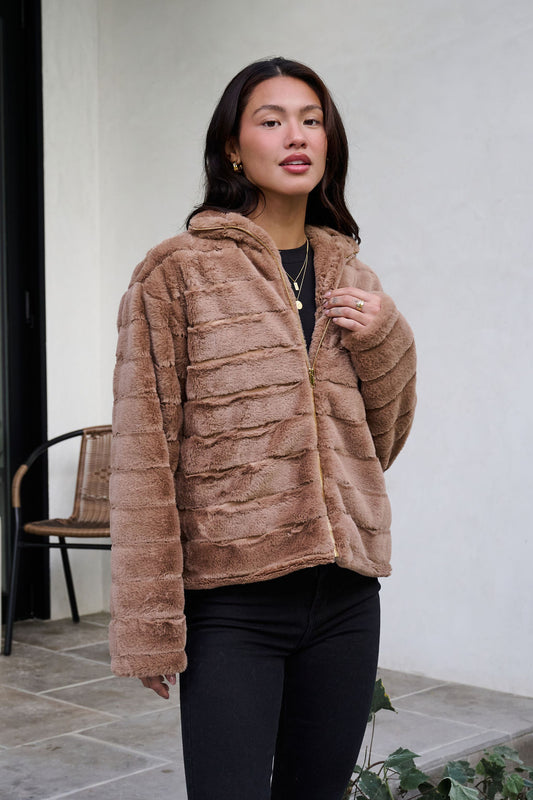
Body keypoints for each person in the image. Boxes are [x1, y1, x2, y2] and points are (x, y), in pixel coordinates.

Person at [109, 56, 416, 800]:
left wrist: (386, 337)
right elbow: (144, 449)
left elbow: (383, 440)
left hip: (343, 599)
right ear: (231, 148)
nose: (295, 135)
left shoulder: (352, 277)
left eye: (311, 120)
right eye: (271, 120)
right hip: (232, 605)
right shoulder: (176, 273)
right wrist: (150, 618)